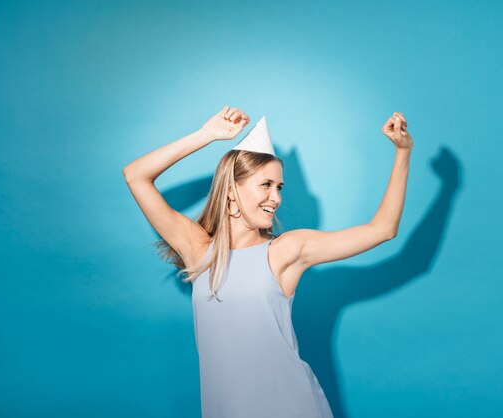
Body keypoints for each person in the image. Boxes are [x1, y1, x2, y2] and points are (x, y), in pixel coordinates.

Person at [122, 105, 413, 417]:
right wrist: (207, 135)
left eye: (279, 187)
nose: (277, 197)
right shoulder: (199, 251)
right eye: (266, 185)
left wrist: (403, 152)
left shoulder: (285, 250)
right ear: (232, 190)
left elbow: (383, 229)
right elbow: (136, 176)